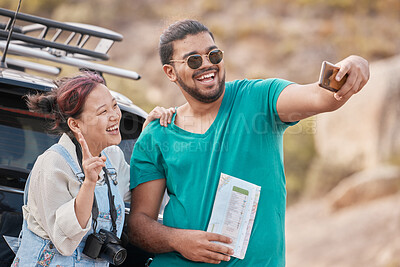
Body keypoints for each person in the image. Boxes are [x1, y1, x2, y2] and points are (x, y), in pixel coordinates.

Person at [128, 20, 370, 266]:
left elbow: (320, 97)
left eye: (213, 54)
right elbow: (138, 224)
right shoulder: (157, 135)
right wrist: (178, 241)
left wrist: (353, 64)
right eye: (193, 60)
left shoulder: (259, 98)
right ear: (170, 72)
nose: (207, 64)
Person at [11, 71, 172, 266]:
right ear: (75, 124)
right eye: (103, 112)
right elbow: (65, 241)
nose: (114, 116)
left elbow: (143, 190)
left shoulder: (111, 156)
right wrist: (88, 183)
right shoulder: (53, 163)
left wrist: (148, 134)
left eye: (114, 106)